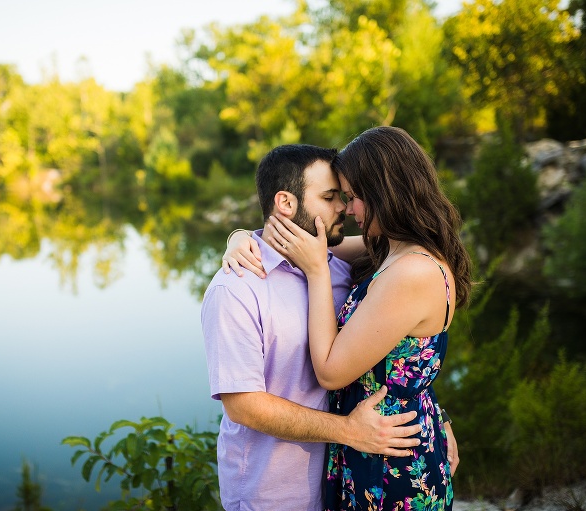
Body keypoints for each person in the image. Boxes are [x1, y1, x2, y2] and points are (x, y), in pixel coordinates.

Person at [201, 143, 428, 511]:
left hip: (344, 481)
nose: (343, 207)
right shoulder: (237, 289)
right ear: (286, 204)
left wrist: (435, 414)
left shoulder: (335, 263)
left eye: (343, 196)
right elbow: (243, 406)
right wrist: (348, 431)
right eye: (329, 196)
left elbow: (400, 337)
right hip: (272, 493)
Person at [257, 126, 471, 510]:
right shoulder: (391, 250)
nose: (348, 209)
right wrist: (240, 238)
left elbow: (330, 371)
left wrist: (318, 274)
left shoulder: (413, 273)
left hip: (391, 461)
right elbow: (310, 243)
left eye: (354, 197)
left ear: (386, 192)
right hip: (372, 441)